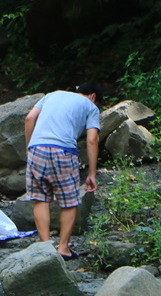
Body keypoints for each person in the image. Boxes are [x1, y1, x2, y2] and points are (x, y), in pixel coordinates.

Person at [24, 82, 103, 260]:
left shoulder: (51, 94)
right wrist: (92, 173)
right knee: (69, 201)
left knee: (41, 198)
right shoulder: (91, 106)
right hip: (64, 151)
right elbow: (92, 140)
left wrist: (30, 148)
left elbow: (29, 118)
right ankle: (63, 248)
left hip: (37, 148)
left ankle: (46, 248)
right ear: (93, 96)